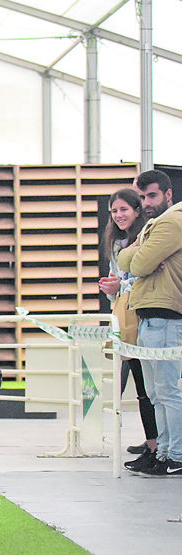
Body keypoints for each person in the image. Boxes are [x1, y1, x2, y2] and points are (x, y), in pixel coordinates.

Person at [121, 169, 182, 477]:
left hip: (166, 315)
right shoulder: (154, 225)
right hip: (151, 315)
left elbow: (139, 263)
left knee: (167, 391)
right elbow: (124, 259)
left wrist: (139, 257)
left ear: (168, 194)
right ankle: (165, 453)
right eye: (142, 197)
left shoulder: (172, 221)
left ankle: (175, 455)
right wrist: (137, 255)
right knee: (158, 393)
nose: (145, 202)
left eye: (152, 196)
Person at [97, 189, 158, 462]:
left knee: (150, 386)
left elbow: (146, 278)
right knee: (140, 382)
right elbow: (116, 284)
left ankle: (158, 445)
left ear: (136, 211)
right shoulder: (115, 243)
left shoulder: (146, 239)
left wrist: (120, 284)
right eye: (114, 211)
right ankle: (153, 441)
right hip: (125, 318)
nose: (119, 215)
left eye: (124, 209)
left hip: (146, 317)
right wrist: (112, 288)